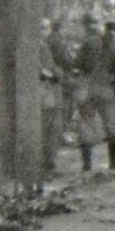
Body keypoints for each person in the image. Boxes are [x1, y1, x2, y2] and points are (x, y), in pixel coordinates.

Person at [74, 14, 115, 170]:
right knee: (113, 125)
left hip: (87, 88)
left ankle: (87, 164)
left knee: (86, 124)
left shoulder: (89, 42)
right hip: (107, 89)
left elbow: (77, 64)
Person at [39, 19, 62, 174]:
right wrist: (53, 75)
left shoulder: (41, 44)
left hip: (43, 92)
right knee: (50, 129)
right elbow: (43, 69)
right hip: (44, 93)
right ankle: (48, 166)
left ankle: (47, 165)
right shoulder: (39, 45)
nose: (46, 30)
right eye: (44, 28)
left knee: (49, 129)